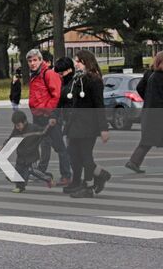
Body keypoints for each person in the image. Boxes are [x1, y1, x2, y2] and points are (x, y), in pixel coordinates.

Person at [62, 51, 111, 198]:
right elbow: (66, 95)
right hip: (75, 124)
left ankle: (88, 186)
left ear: (87, 63)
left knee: (85, 156)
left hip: (88, 125)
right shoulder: (77, 79)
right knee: (74, 155)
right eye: (76, 61)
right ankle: (100, 174)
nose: (76, 63)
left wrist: (104, 128)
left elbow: (99, 105)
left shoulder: (94, 80)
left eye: (79, 61)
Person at [25, 50, 70, 185]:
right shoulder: (35, 75)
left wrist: (50, 113)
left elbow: (56, 96)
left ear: (40, 60)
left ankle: (66, 175)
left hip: (49, 117)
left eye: (34, 60)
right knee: (33, 143)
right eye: (30, 61)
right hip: (38, 116)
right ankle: (34, 171)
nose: (32, 63)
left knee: (59, 147)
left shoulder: (48, 74)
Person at [7, 110, 51, 192]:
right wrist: (5, 145)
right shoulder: (16, 131)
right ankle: (19, 186)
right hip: (21, 155)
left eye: (18, 125)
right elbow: (11, 138)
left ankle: (48, 178)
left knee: (32, 172)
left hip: (32, 156)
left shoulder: (33, 128)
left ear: (25, 122)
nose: (17, 127)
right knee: (18, 170)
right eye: (15, 125)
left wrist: (50, 126)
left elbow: (43, 131)